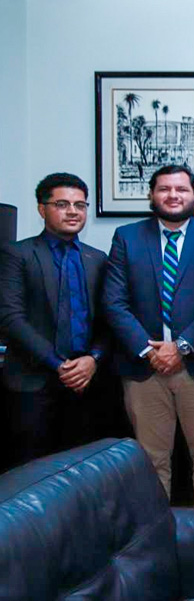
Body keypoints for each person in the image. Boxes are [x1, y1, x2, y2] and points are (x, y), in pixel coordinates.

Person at [103, 165, 194, 506]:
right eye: (164, 189)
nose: (173, 195)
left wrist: (182, 346)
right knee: (150, 460)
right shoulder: (127, 237)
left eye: (181, 189)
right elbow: (114, 303)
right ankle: (154, 531)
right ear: (151, 195)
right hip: (144, 369)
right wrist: (149, 351)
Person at [0, 173, 108, 465]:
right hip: (32, 382)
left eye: (80, 205)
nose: (73, 211)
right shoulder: (17, 254)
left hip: (87, 382)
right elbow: (10, 317)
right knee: (29, 471)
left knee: (83, 470)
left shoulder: (97, 258)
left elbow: (108, 319)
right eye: (62, 204)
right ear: (42, 209)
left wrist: (94, 359)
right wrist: (59, 364)